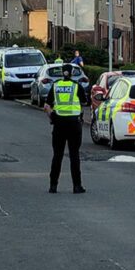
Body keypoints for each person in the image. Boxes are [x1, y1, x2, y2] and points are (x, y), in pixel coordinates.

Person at [44, 63, 88, 194]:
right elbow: (84, 102)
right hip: (74, 124)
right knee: (74, 155)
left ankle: (53, 186)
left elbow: (46, 106)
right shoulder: (76, 87)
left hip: (59, 124)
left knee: (57, 155)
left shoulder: (55, 86)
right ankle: (77, 186)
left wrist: (52, 116)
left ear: (62, 73)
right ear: (72, 73)